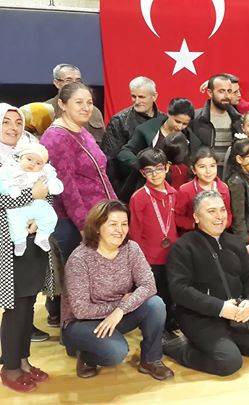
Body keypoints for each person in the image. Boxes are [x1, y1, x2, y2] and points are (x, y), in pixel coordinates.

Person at [164, 190, 249, 376]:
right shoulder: (183, 246)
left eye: (222, 210)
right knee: (229, 362)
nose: (219, 216)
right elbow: (179, 290)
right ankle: (178, 348)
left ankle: (224, 342)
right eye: (211, 211)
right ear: (196, 217)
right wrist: (220, 308)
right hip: (199, 316)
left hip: (235, 314)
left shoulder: (235, 242)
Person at [62, 200, 173, 380]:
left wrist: (121, 310)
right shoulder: (80, 259)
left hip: (117, 315)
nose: (120, 230)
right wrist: (120, 305)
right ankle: (87, 355)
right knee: (116, 352)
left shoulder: (131, 249)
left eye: (124, 224)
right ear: (97, 227)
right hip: (81, 322)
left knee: (155, 304)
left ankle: (151, 360)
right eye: (113, 224)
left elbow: (149, 285)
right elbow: (81, 310)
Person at [41, 82, 116, 327]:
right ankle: (75, 332)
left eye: (89, 102)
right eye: (79, 102)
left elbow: (101, 175)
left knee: (97, 277)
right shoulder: (56, 137)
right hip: (72, 222)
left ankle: (96, 325)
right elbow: (67, 187)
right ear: (62, 104)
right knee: (78, 280)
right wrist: (84, 226)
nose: (86, 107)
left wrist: (116, 210)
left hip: (99, 215)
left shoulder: (83, 131)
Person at [0, 104, 55, 392]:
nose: (13, 128)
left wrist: (39, 213)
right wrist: (28, 195)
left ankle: (23, 360)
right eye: (6, 122)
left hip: (33, 240)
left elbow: (49, 189)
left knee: (28, 302)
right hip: (7, 242)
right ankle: (9, 366)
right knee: (15, 305)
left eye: (17, 122)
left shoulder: (30, 153)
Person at [128, 148, 179, 335]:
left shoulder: (174, 193)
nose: (155, 174)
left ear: (167, 167)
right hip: (150, 258)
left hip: (172, 255)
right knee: (156, 295)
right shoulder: (139, 197)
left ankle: (171, 324)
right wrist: (140, 262)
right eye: (149, 170)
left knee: (171, 291)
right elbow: (135, 233)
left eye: (158, 168)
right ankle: (157, 329)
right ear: (142, 173)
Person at [116, 98, 194, 201]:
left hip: (176, 190)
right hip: (148, 189)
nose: (180, 127)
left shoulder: (188, 135)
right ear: (169, 114)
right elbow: (124, 152)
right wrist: (143, 165)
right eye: (177, 121)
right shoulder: (146, 130)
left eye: (185, 124)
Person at [102, 76, 165, 191]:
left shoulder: (165, 120)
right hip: (128, 187)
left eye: (141, 97)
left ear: (154, 96)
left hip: (160, 184)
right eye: (133, 96)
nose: (137, 101)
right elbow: (111, 161)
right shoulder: (119, 121)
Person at [0, 143, 63, 255]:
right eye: (29, 159)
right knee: (15, 221)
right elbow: (4, 190)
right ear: (21, 158)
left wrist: (37, 220)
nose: (33, 164)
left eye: (38, 163)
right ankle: (19, 241)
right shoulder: (10, 170)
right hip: (6, 232)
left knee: (50, 215)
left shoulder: (41, 167)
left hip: (34, 226)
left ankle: (42, 236)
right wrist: (30, 194)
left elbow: (47, 192)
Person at [188, 74, 244, 169]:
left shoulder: (239, 119)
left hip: (230, 174)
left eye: (229, 91)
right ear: (210, 93)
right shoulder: (195, 119)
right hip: (204, 174)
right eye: (221, 91)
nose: (226, 96)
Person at [176, 147, 232, 233]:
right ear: (194, 170)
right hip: (195, 234)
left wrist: (223, 224)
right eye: (202, 167)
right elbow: (178, 217)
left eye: (212, 166)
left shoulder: (223, 188)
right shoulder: (185, 190)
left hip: (218, 233)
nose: (208, 171)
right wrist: (195, 224)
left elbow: (228, 214)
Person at [45, 63, 105, 144]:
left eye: (78, 81)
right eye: (68, 80)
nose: (74, 84)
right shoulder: (44, 110)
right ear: (57, 83)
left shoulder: (93, 111)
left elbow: (104, 144)